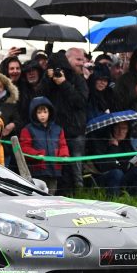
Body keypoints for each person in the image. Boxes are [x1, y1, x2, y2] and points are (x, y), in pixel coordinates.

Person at [39, 48, 89, 193]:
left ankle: (80, 196)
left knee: (76, 170)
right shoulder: (48, 79)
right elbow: (40, 97)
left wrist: (63, 83)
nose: (82, 63)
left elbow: (80, 101)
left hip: (75, 132)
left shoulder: (78, 80)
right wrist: (48, 79)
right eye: (78, 60)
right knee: (57, 169)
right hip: (54, 133)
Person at [18, 97, 69, 194]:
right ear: (34, 114)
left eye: (45, 112)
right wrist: (36, 155)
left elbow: (63, 145)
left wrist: (64, 155)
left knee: (51, 194)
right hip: (38, 170)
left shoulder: (58, 129)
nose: (42, 115)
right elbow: (24, 148)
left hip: (54, 170)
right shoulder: (28, 129)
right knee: (39, 195)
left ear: (50, 113)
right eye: (39, 112)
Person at [88, 121, 137, 197]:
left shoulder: (126, 143)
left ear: (127, 130)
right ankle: (114, 201)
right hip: (102, 177)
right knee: (117, 173)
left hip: (121, 177)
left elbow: (126, 165)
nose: (120, 131)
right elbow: (103, 166)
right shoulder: (100, 141)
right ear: (113, 128)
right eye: (118, 128)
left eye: (124, 128)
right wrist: (113, 147)